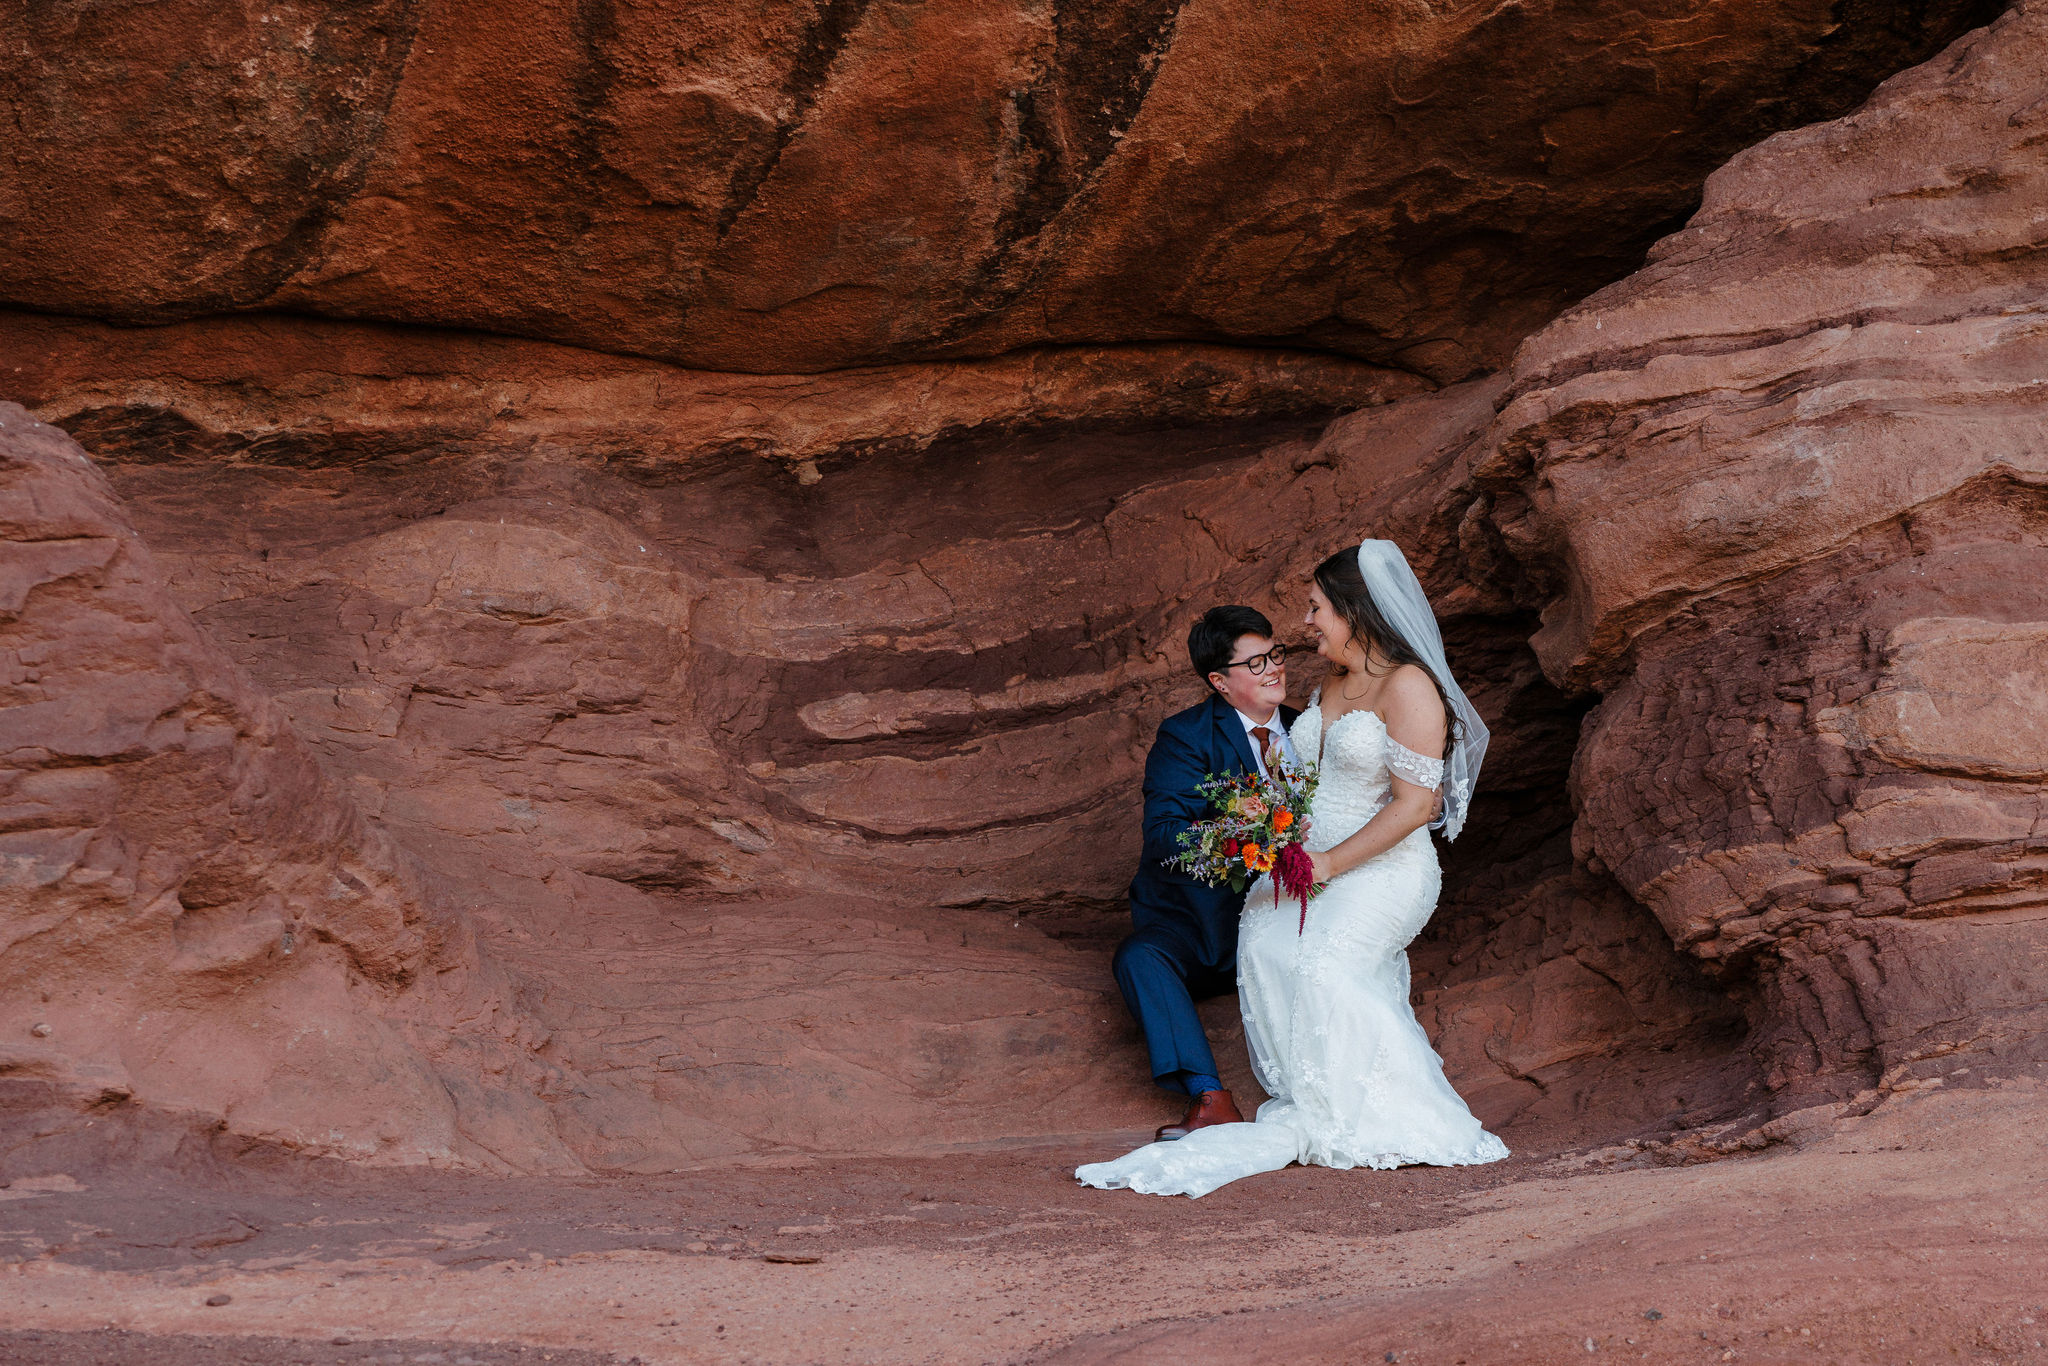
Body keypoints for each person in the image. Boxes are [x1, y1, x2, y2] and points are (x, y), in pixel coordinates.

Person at [1079, 541, 1508, 1197]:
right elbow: (1275, 799)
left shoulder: (1408, 686)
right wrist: (1261, 835)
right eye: (1259, 658)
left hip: (1380, 867)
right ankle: (1268, 1098)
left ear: (1353, 612)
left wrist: (1325, 858)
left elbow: (1416, 805)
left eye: (1314, 610)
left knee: (1321, 965)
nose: (1303, 628)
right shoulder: (1326, 685)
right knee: (1256, 942)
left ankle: (1375, 1115)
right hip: (1288, 871)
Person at [1114, 606, 1299, 1143]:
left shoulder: (1312, 725)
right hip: (1203, 925)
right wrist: (1241, 836)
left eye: (1277, 654)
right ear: (1219, 681)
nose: (1274, 670)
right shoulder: (1186, 736)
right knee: (1139, 957)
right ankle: (1210, 1096)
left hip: (1292, 916)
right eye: (1256, 662)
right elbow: (1164, 834)